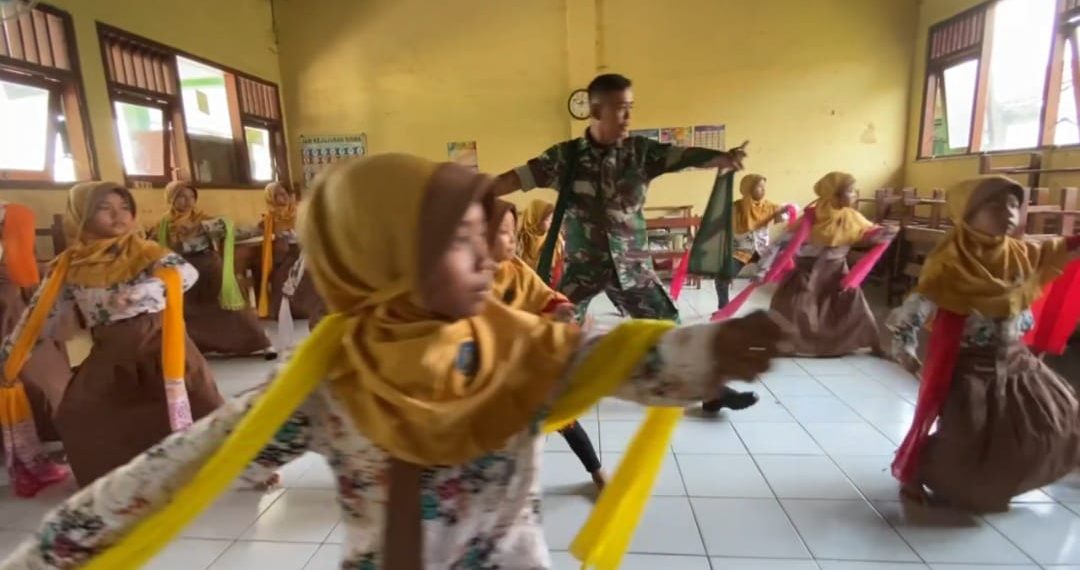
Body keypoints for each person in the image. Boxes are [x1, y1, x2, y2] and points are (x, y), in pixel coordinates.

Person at [0, 155, 787, 569]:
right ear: (384, 261)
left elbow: (620, 357)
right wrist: (54, 550)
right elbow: (185, 463)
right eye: (459, 241)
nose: (489, 257)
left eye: (485, 236)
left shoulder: (521, 345)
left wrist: (708, 348)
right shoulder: (330, 384)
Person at [492, 73, 758, 411]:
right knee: (552, 329)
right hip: (583, 269)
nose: (628, 116)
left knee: (669, 332)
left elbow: (683, 156)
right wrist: (467, 193)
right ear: (596, 111)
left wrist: (723, 158)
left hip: (633, 268)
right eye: (620, 109)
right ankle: (528, 393)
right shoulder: (564, 157)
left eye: (630, 107)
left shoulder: (641, 153)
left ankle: (711, 391)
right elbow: (513, 179)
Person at [0, 182, 224, 488]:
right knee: (79, 412)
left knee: (202, 404)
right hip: (111, 349)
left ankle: (240, 465)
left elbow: (185, 274)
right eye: (104, 209)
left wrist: (142, 292)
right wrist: (13, 351)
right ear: (82, 216)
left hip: (160, 343)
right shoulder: (68, 265)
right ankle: (113, 479)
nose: (118, 216)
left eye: (124, 208)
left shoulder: (145, 251)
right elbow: (40, 311)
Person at [888, 175, 1080, 512]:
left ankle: (1005, 478)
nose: (1009, 213)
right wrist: (905, 348)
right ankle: (919, 470)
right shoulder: (950, 263)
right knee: (965, 438)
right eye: (995, 206)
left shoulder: (1021, 253)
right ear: (968, 212)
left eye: (1014, 205)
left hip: (1018, 360)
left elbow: (1058, 249)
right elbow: (916, 308)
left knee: (1057, 416)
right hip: (970, 368)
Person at [490, 199, 607, 490]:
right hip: (492, 375)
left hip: (528, 361)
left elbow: (544, 295)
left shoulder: (516, 269)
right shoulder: (466, 279)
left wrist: (561, 310)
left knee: (564, 418)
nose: (511, 240)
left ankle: (596, 470)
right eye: (502, 233)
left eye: (512, 232)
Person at [768, 172, 894, 357]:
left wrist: (882, 234)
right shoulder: (812, 216)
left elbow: (865, 234)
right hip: (807, 270)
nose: (854, 195)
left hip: (837, 270)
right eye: (850, 191)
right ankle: (787, 343)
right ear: (833, 194)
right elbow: (790, 241)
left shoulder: (852, 216)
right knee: (794, 306)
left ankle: (872, 344)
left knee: (854, 306)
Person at [153, 181, 274, 358]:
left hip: (209, 267)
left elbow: (230, 230)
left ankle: (259, 342)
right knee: (187, 310)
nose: (187, 201)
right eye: (181, 197)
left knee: (229, 305)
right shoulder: (162, 225)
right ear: (171, 199)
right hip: (182, 271)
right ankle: (197, 348)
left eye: (191, 197)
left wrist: (255, 229)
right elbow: (155, 248)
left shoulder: (204, 220)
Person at [0, 202, 71, 498]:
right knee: (47, 383)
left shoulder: (20, 254)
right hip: (15, 332)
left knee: (50, 384)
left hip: (22, 331)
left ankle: (49, 441)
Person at [715, 174, 790, 310]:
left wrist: (786, 210)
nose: (763, 190)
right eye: (759, 187)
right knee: (722, 277)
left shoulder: (769, 206)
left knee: (789, 272)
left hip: (763, 250)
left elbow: (783, 216)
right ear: (748, 188)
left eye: (764, 187)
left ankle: (784, 307)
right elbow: (718, 225)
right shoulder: (735, 207)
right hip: (742, 250)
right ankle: (724, 308)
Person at [256, 182, 321, 320]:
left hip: (303, 251)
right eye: (278, 195)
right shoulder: (269, 219)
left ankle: (307, 309)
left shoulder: (298, 213)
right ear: (271, 198)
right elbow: (266, 236)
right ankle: (288, 310)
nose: (283, 197)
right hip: (285, 255)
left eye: (284, 194)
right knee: (282, 276)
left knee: (309, 273)